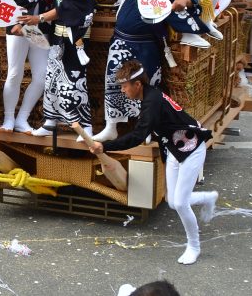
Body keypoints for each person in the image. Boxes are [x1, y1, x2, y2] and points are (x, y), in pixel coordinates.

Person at [90, 60, 217, 265]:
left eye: (125, 86)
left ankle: (194, 246)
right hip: (175, 148)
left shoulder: (152, 101)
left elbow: (138, 136)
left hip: (192, 147)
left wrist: (105, 147)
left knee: (181, 203)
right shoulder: (149, 96)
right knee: (172, 201)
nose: (122, 90)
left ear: (137, 84)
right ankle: (208, 197)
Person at [95, 0, 219, 142]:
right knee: (114, 80)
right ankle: (111, 126)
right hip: (121, 40)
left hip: (145, 43)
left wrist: (183, 0)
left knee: (147, 86)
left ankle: (147, 128)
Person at [19, 0, 95, 137]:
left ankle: (85, 126)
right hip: (58, 38)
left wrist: (39, 18)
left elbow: (64, 9)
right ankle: (50, 121)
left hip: (74, 39)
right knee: (52, 80)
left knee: (74, 82)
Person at [0, 0, 54, 133]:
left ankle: (22, 118)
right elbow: (3, 1)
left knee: (42, 76)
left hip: (39, 29)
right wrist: (13, 25)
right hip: (19, 28)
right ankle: (8, 118)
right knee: (15, 73)